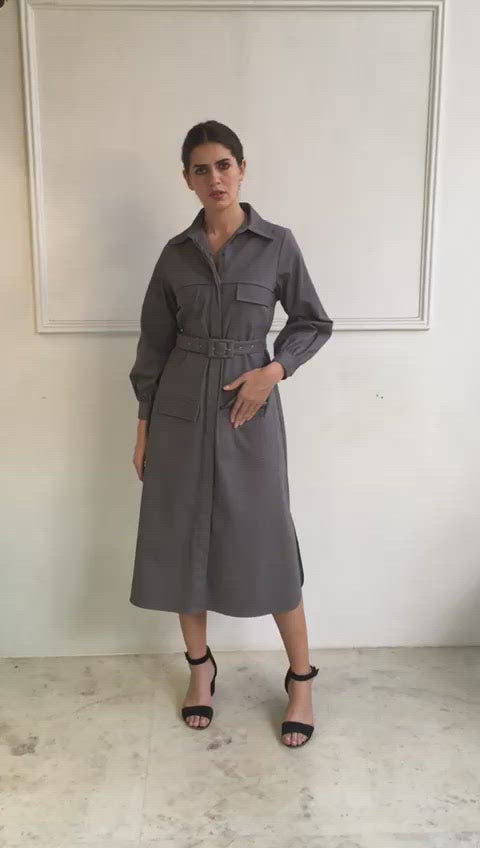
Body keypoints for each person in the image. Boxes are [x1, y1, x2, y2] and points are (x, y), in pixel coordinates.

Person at [129, 120, 334, 747]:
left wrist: (272, 372)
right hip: (178, 409)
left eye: (223, 165)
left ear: (242, 169)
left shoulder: (277, 244)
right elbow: (154, 346)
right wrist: (143, 428)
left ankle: (301, 678)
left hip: (248, 410)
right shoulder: (175, 254)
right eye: (201, 169)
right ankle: (200, 669)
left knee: (266, 536)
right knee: (181, 535)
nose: (214, 178)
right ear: (187, 179)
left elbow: (311, 322)